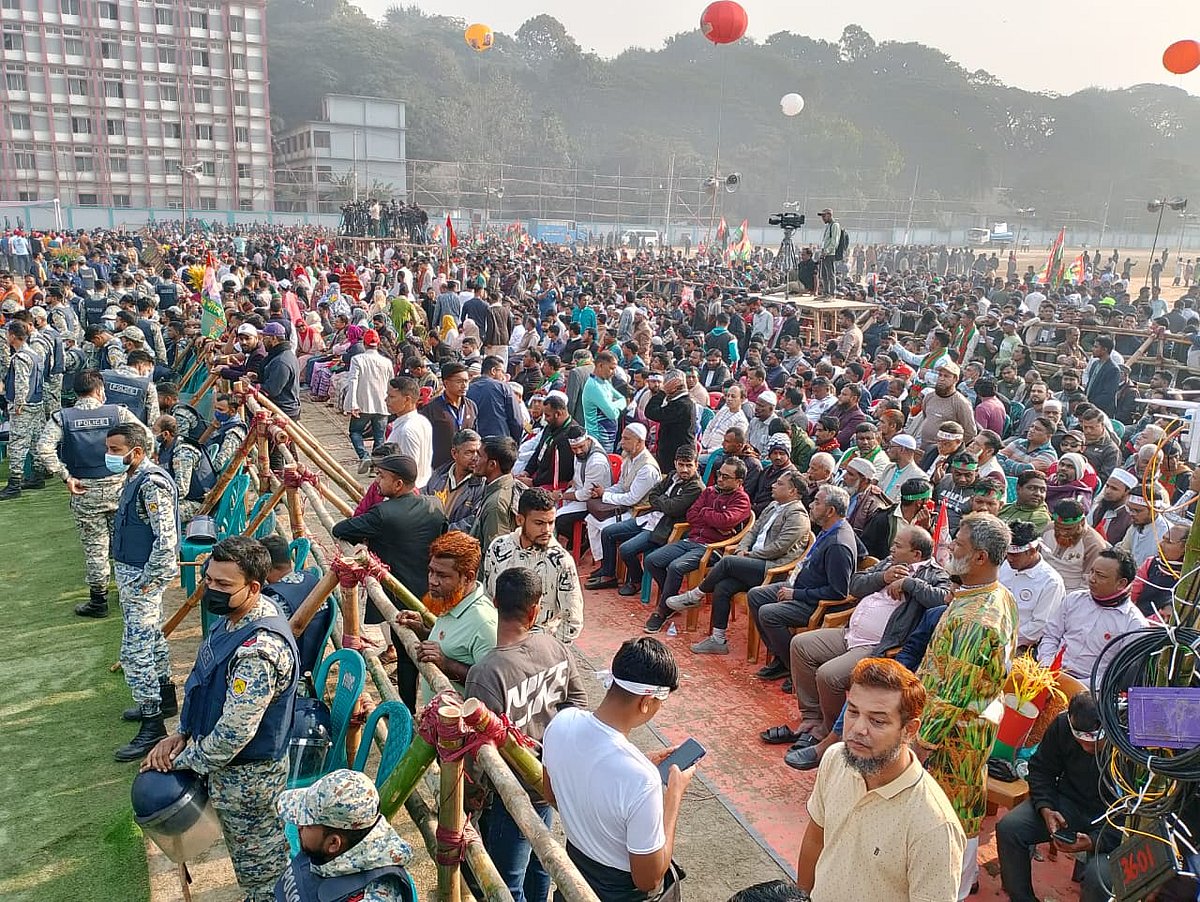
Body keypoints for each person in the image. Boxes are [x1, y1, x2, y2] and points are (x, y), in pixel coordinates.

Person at [142, 536, 298, 902]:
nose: (211, 590)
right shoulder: (231, 620)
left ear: (254, 587)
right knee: (250, 864)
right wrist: (180, 735)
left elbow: (233, 734)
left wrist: (178, 763)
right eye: (208, 580)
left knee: (264, 869)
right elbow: (204, 684)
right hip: (229, 773)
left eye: (223, 585)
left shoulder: (259, 650)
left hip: (249, 780)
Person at [771, 526, 951, 758]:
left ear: (916, 555)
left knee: (829, 675)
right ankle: (813, 720)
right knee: (801, 645)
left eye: (898, 545)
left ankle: (838, 734)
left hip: (878, 645)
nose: (891, 549)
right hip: (850, 633)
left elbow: (943, 601)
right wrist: (883, 577)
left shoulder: (936, 574)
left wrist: (909, 584)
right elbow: (854, 584)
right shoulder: (887, 563)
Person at [466, 567, 589, 902]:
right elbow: (578, 704)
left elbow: (477, 751)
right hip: (548, 777)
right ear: (535, 609)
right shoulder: (555, 647)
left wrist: (467, 798)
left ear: (494, 604)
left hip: (511, 790)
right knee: (542, 864)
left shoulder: (486, 673)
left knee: (507, 880)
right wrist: (550, 750)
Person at [795, 658, 964, 902]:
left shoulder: (934, 827)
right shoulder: (836, 759)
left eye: (877, 720)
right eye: (853, 712)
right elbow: (815, 837)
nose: (858, 729)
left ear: (910, 730)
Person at [914, 513, 1017, 899]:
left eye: (957, 543)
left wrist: (922, 743)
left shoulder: (978, 618)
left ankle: (952, 888)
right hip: (970, 725)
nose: (949, 547)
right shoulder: (991, 594)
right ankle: (962, 877)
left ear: (979, 558)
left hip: (954, 733)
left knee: (952, 811)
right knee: (965, 801)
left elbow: (954, 693)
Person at [542, 637, 693, 901]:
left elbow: (552, 794)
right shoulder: (642, 780)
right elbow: (649, 879)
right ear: (646, 702)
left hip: (573, 879)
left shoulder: (561, 723)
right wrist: (673, 797)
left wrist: (640, 761)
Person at [35, 370, 149, 615]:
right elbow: (146, 437)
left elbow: (43, 449)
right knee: (123, 540)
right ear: (99, 390)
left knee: (95, 547)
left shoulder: (62, 417)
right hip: (120, 487)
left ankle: (98, 601)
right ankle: (128, 592)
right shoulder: (117, 413)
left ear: (76, 392)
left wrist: (66, 476)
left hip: (84, 490)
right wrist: (132, 470)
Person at [331, 454, 447, 692]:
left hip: (399, 594)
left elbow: (340, 529)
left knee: (406, 653)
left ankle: (406, 710)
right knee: (432, 647)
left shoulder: (382, 514)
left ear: (398, 484)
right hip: (432, 591)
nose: (376, 482)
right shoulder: (435, 505)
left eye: (382, 477)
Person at [667, 470, 812, 655]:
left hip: (772, 568)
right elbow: (753, 531)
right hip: (753, 563)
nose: (773, 485)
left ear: (792, 491)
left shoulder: (798, 516)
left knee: (728, 562)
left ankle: (695, 595)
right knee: (723, 586)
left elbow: (779, 547)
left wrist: (750, 555)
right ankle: (718, 639)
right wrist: (742, 549)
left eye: (780, 484)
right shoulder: (773, 506)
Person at [106, 423, 180, 761]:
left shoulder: (151, 484)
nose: (110, 456)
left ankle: (152, 725)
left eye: (116, 451)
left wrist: (149, 580)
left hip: (142, 578)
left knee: (135, 651)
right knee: (152, 640)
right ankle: (164, 699)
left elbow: (166, 542)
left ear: (137, 452)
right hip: (134, 575)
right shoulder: (136, 478)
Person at [995, 692, 1106, 902]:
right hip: (1067, 804)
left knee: (1098, 877)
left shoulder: (1127, 743)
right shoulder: (1063, 724)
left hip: (1111, 820)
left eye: (1092, 744)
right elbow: (1040, 770)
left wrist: (1094, 841)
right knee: (1009, 829)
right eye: (1080, 742)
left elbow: (1137, 814)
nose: (1085, 748)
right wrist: (1045, 808)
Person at [748, 485, 858, 681]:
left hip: (815, 603)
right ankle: (782, 659)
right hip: (801, 587)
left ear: (831, 511)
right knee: (756, 595)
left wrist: (796, 594)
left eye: (817, 502)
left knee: (769, 613)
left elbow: (838, 592)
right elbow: (863, 553)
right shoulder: (829, 530)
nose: (811, 505)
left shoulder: (838, 544)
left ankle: (797, 669)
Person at [643, 457, 752, 633]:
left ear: (739, 481)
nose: (720, 479)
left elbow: (726, 521)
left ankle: (662, 611)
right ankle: (670, 599)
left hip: (713, 548)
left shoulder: (741, 500)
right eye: (719, 474)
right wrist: (712, 517)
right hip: (692, 539)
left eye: (726, 476)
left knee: (676, 567)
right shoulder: (709, 491)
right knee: (652, 560)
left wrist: (706, 513)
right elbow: (691, 515)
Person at [276, 769, 415, 902]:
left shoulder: (373, 896)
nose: (299, 825)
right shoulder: (326, 849)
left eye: (307, 823)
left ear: (333, 843)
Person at [392, 531, 497, 700]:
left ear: (468, 577)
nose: (432, 581)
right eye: (431, 572)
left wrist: (446, 664)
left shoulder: (484, 622)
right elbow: (454, 645)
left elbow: (490, 686)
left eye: (442, 575)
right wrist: (422, 631)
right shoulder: (452, 601)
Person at [589, 445, 705, 595]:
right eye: (681, 464)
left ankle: (636, 580)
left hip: (664, 528)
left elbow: (671, 508)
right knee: (608, 532)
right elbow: (653, 494)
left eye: (689, 465)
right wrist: (663, 500)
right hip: (649, 518)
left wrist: (661, 500)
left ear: (696, 465)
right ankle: (608, 573)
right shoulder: (672, 476)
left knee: (626, 549)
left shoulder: (696, 487)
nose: (684, 469)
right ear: (675, 462)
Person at [480, 488, 584, 644]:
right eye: (539, 523)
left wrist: (546, 651)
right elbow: (488, 598)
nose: (547, 530)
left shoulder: (561, 561)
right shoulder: (498, 548)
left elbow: (573, 621)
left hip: (541, 648)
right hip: (498, 642)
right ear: (520, 520)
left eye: (551, 522)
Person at [1038, 548, 1149, 683]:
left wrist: (1075, 685)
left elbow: (1120, 673)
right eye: (1091, 572)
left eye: (1100, 576)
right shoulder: (1074, 599)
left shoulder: (1134, 624)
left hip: (1090, 691)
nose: (1092, 579)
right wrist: (1046, 665)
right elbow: (1051, 636)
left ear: (1121, 583)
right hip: (1049, 675)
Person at [583, 423, 660, 568]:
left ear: (639, 442)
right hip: (624, 507)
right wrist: (603, 492)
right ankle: (603, 565)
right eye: (622, 438)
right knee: (591, 520)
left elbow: (632, 498)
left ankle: (609, 572)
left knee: (606, 530)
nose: (622, 442)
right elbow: (621, 486)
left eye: (627, 439)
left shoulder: (647, 468)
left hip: (639, 513)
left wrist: (605, 495)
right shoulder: (629, 459)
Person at [257, 534, 333, 680]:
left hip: (292, 668)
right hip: (311, 656)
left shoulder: (276, 599)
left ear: (264, 565)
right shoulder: (311, 579)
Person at [997, 520, 1065, 651]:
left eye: (1014, 555)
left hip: (1021, 646)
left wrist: (1003, 641)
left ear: (1032, 551)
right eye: (1008, 554)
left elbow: (1039, 627)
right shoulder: (1006, 565)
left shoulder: (1051, 582)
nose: (1009, 558)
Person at [0, 320, 46, 498]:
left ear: (12, 336)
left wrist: (18, 404)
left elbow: (21, 383)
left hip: (24, 407)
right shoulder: (34, 354)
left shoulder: (20, 357)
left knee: (17, 444)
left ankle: (14, 484)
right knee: (35, 440)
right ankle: (37, 475)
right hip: (36, 404)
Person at [154, 413, 216, 523]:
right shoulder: (164, 448)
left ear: (166, 434)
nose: (153, 434)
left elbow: (181, 490)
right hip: (180, 498)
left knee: (158, 513)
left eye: (155, 431)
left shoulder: (182, 453)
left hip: (197, 503)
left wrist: (159, 497)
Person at [345, 327, 394, 465]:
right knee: (379, 437)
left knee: (355, 431)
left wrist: (352, 403)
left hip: (363, 403)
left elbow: (352, 381)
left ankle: (364, 456)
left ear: (364, 344)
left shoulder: (357, 360)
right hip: (382, 404)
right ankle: (377, 465)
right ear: (378, 344)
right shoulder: (387, 362)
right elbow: (391, 383)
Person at [1039, 499, 1107, 592]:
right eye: (1058, 527)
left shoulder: (1093, 545)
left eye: (1068, 529)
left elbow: (1087, 585)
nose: (1062, 533)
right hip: (1040, 584)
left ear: (1082, 522)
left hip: (1070, 593)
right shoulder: (1048, 529)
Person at [425, 428, 485, 532]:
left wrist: (444, 532)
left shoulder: (482, 483)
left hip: (458, 544)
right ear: (454, 453)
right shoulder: (438, 476)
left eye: (478, 453)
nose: (475, 457)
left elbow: (474, 520)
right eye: (469, 452)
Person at [470, 436, 522, 551]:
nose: (474, 459)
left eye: (479, 455)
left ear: (492, 465)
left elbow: (497, 553)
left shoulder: (496, 504)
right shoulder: (505, 486)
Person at [422, 362, 477, 470]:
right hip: (440, 467)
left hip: (466, 467)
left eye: (466, 381)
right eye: (459, 381)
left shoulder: (471, 406)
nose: (464, 385)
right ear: (446, 383)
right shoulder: (432, 409)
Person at [382, 375, 433, 487]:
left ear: (407, 400)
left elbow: (409, 471)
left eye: (391, 397)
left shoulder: (407, 431)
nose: (386, 400)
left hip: (409, 492)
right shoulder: (422, 421)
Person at [644, 369, 696, 470]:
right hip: (669, 454)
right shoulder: (677, 402)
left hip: (677, 457)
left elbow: (651, 412)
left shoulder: (683, 405)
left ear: (674, 386)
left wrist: (662, 392)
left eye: (665, 384)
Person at [468, 354, 523, 442]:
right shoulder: (503, 387)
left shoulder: (468, 389)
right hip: (499, 443)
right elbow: (516, 420)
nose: (503, 376)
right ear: (493, 371)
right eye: (502, 372)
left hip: (474, 442)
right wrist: (514, 443)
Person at [581, 350, 628, 451]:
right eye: (611, 368)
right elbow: (612, 414)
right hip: (598, 440)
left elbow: (623, 399)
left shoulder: (604, 383)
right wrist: (616, 407)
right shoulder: (594, 386)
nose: (613, 373)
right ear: (600, 365)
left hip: (608, 439)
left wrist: (613, 405)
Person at [876, 434, 926, 503]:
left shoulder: (919, 477)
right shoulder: (889, 468)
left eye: (891, 447)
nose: (888, 450)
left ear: (902, 449)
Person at [816, 208, 842, 296]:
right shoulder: (828, 226)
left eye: (824, 216)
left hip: (830, 254)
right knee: (824, 275)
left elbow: (834, 241)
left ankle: (831, 293)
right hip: (824, 253)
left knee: (830, 275)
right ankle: (825, 292)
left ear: (829, 215)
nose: (822, 218)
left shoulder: (835, 225)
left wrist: (826, 251)